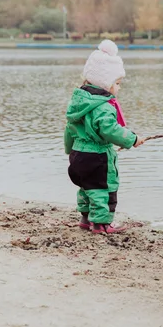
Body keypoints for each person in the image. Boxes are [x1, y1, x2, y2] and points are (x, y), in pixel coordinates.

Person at [64, 39, 145, 234]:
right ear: (105, 82)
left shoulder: (79, 103)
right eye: (117, 83)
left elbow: (69, 129)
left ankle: (85, 218)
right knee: (102, 188)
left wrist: (69, 149)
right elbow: (110, 130)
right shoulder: (103, 107)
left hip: (77, 154)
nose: (119, 87)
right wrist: (131, 139)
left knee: (86, 187)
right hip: (96, 156)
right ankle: (101, 224)